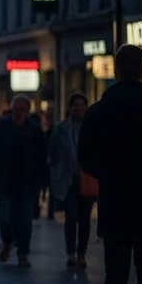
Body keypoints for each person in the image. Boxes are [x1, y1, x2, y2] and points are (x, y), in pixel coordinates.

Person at [78, 45, 142, 284]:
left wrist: (107, 174)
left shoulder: (98, 110)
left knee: (115, 274)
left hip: (115, 199)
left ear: (116, 72)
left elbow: (86, 158)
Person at [0, 95, 47, 268]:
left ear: (28, 111)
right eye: (15, 109)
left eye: (22, 109)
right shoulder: (1, 127)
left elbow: (41, 156)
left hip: (27, 183)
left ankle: (23, 253)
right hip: (5, 181)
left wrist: (39, 180)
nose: (18, 113)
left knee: (25, 220)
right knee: (4, 216)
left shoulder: (34, 130)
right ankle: (8, 239)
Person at [49, 93, 93, 269]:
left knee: (84, 218)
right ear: (69, 107)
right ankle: (71, 253)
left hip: (87, 178)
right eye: (75, 105)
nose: (79, 108)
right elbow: (52, 152)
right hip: (68, 179)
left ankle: (81, 253)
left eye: (82, 105)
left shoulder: (92, 128)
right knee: (71, 216)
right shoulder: (60, 129)